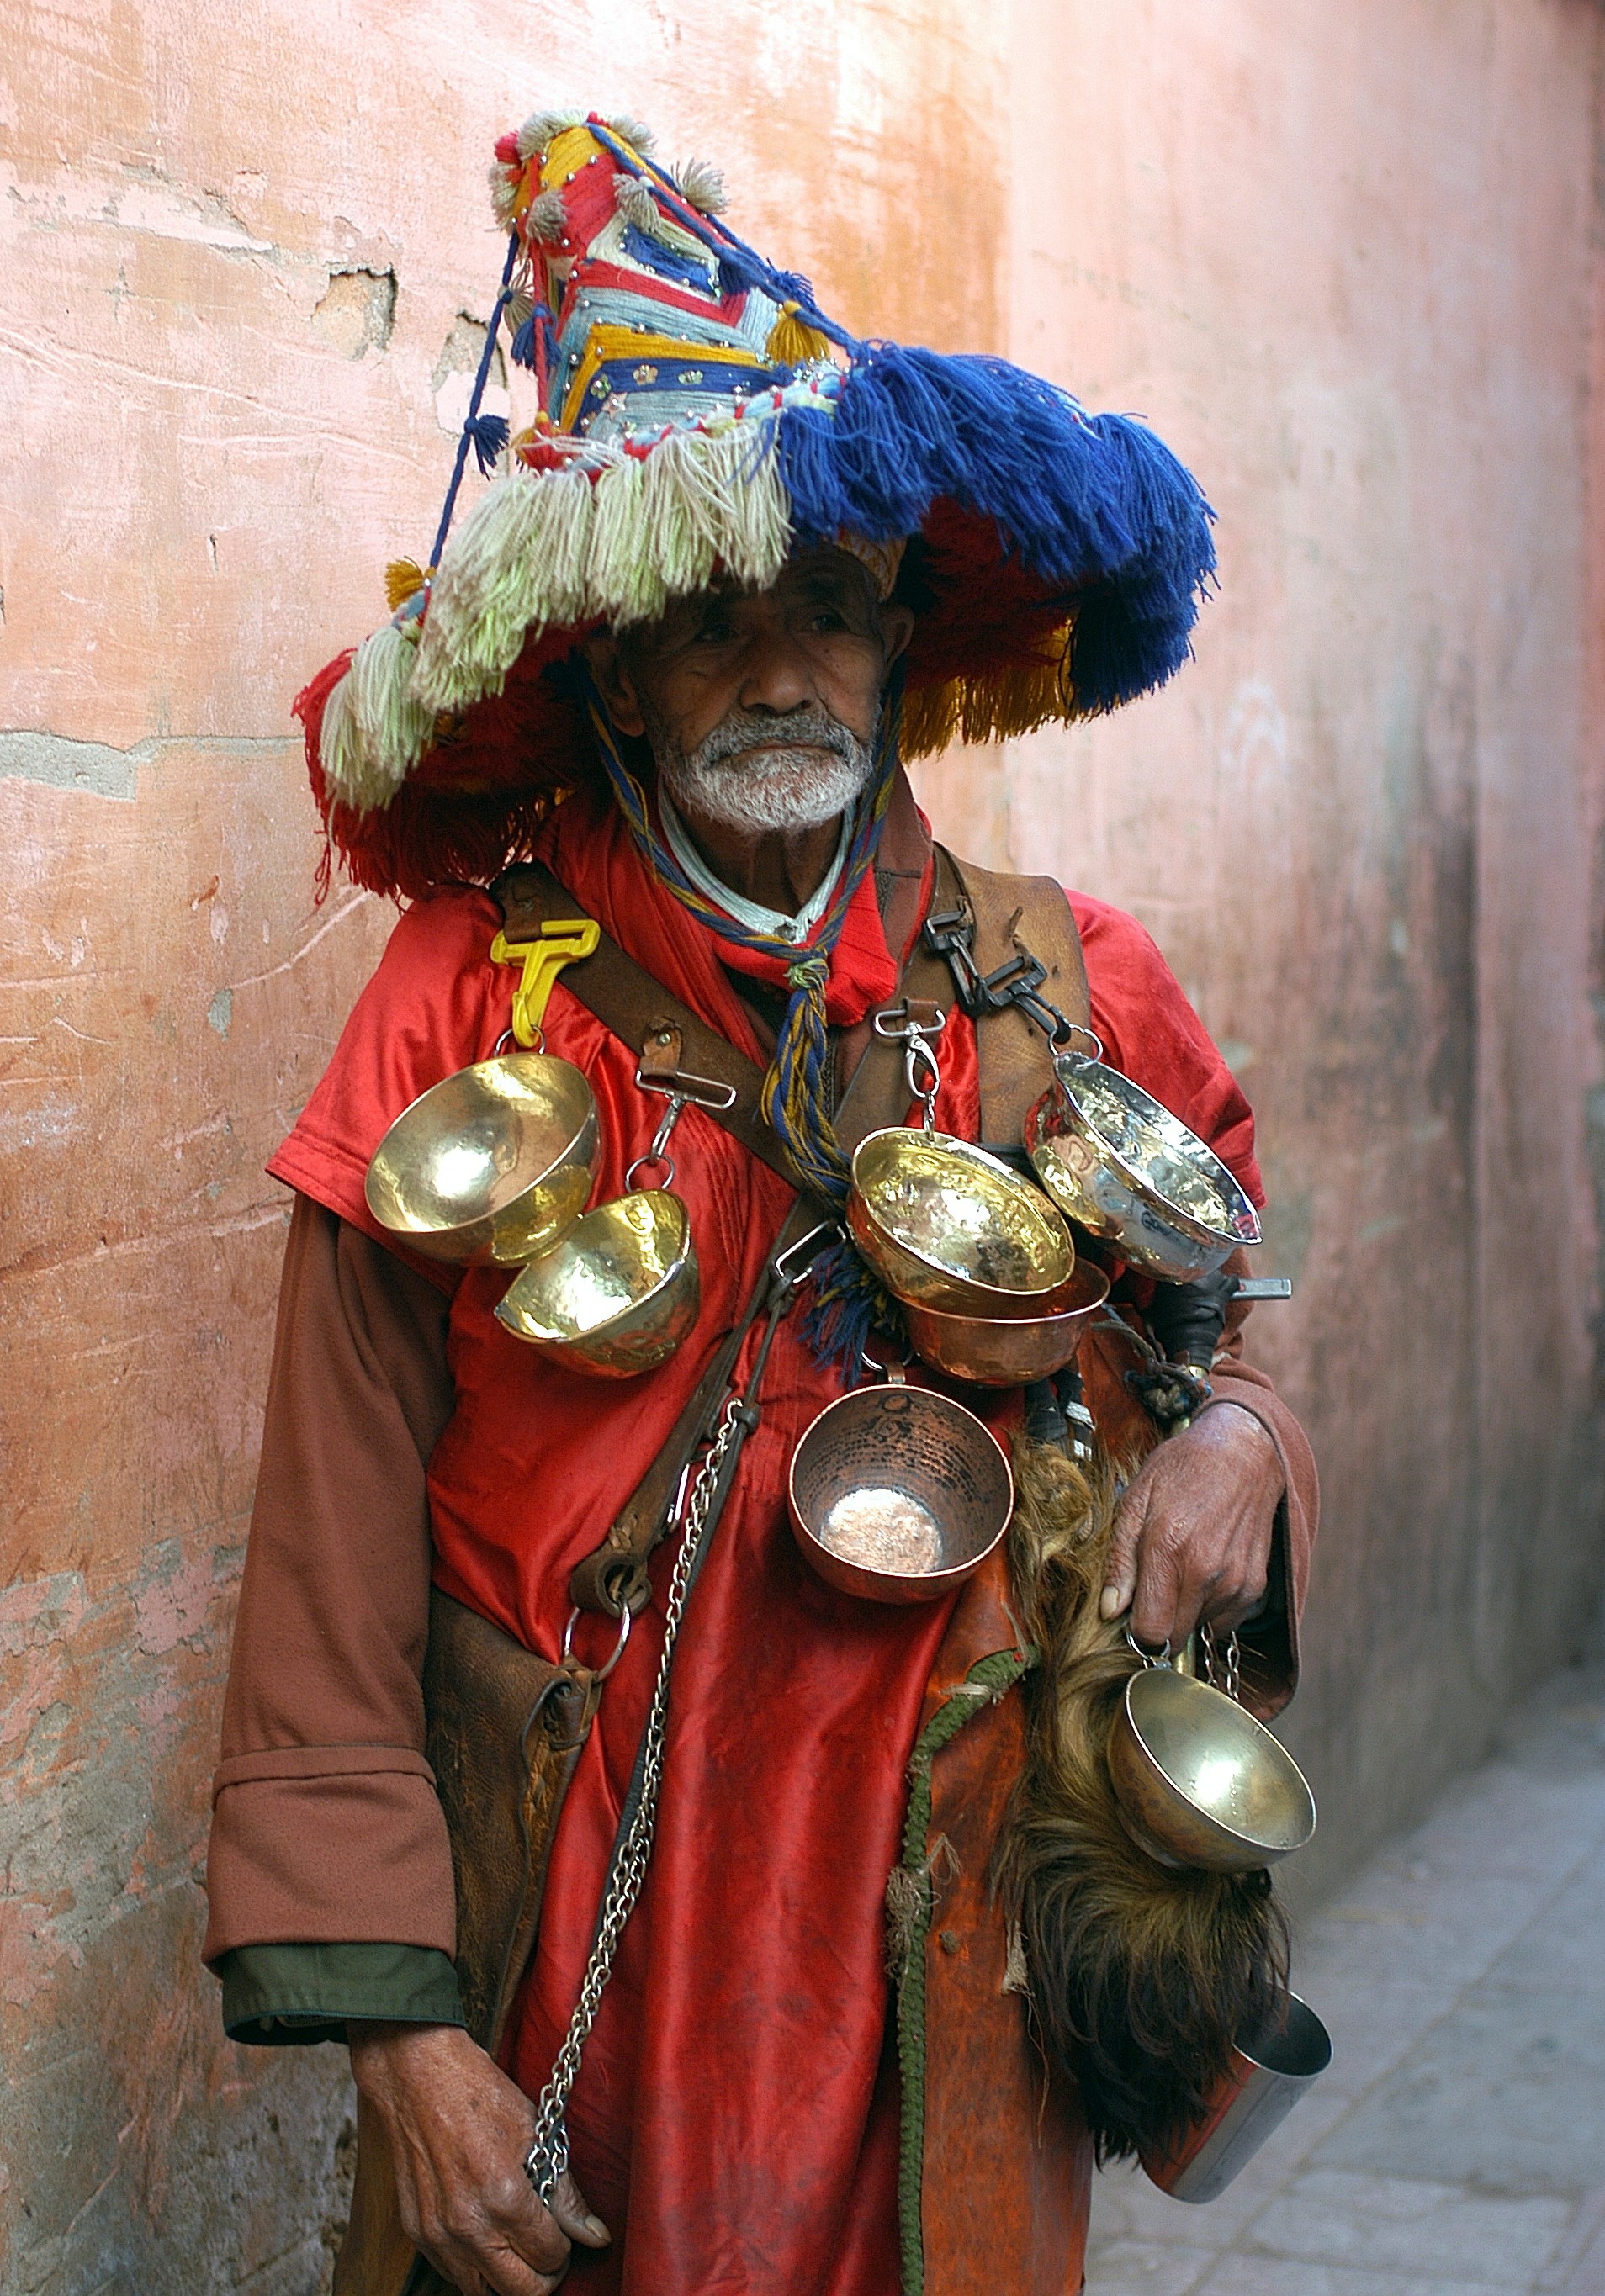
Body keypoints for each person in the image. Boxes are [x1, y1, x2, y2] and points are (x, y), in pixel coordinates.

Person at [204, 107, 1317, 2296]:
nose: (780, 672)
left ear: (904, 635)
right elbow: (329, 1541)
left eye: (828, 607)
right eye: (710, 624)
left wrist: (1243, 1434)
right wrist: (402, 2028)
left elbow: (1239, 1309)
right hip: (578, 1886)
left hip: (954, 1898)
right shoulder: (462, 997)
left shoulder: (1064, 980)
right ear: (611, 665)